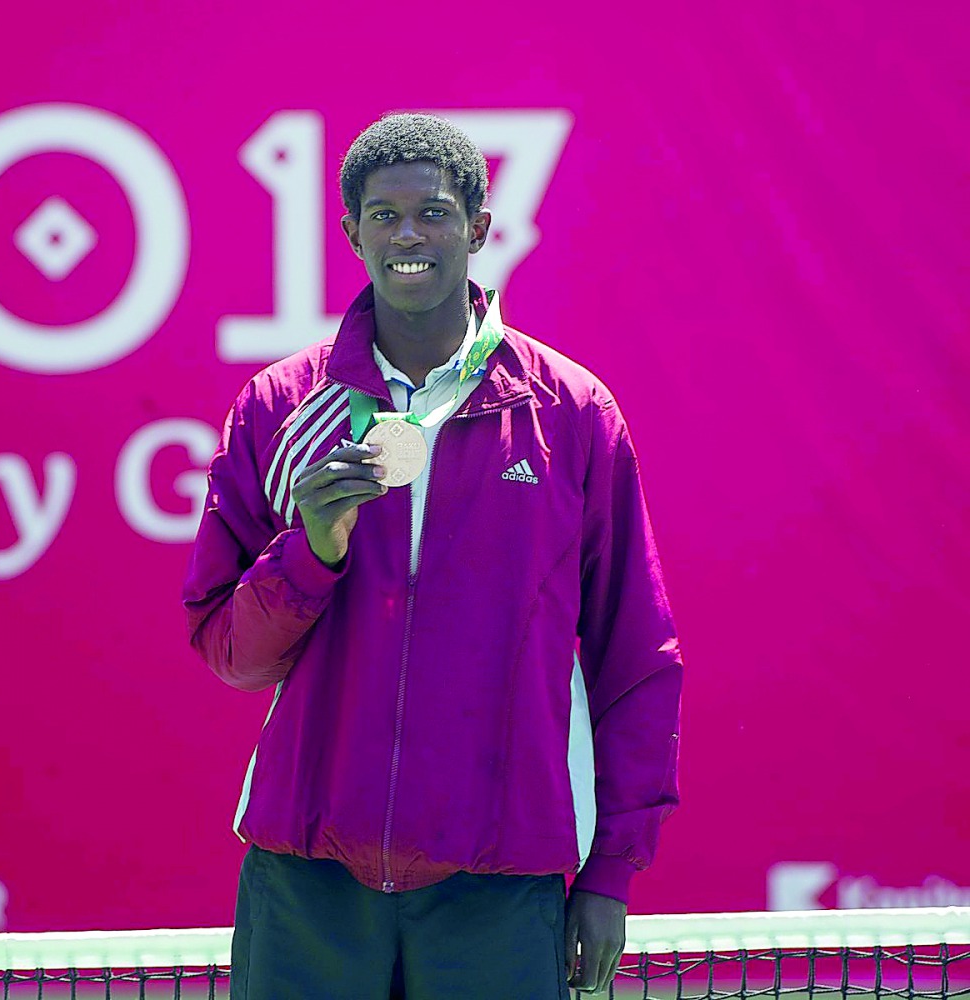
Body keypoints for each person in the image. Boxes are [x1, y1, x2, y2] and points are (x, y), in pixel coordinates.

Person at [183, 113, 683, 1000]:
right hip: (308, 877)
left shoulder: (571, 414)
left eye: (434, 213)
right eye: (384, 216)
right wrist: (313, 554)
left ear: (481, 229)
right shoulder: (279, 406)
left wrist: (609, 873)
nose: (408, 236)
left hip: (499, 880)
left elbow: (635, 660)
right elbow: (230, 652)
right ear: (350, 233)